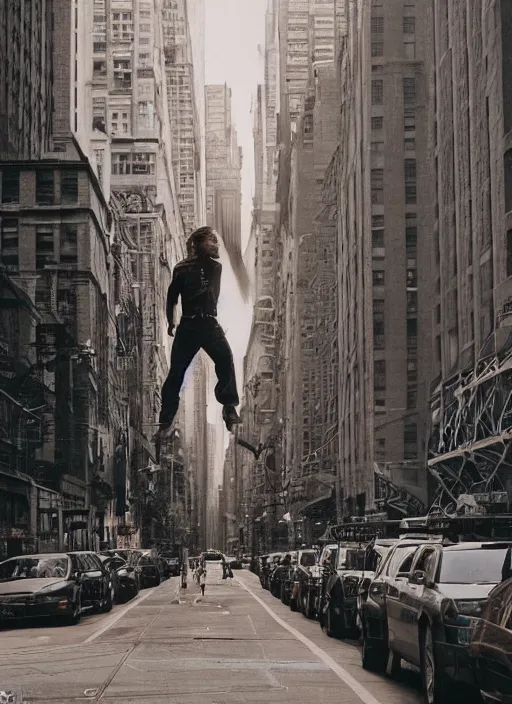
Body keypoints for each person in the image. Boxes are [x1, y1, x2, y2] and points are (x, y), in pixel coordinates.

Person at [155, 227, 242, 442]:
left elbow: (212, 297)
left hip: (209, 324)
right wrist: (171, 322)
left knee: (225, 359)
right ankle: (165, 421)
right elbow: (172, 298)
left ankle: (229, 408)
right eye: (211, 240)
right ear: (197, 243)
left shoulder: (216, 268)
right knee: (176, 374)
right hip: (188, 326)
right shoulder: (181, 269)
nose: (216, 244)